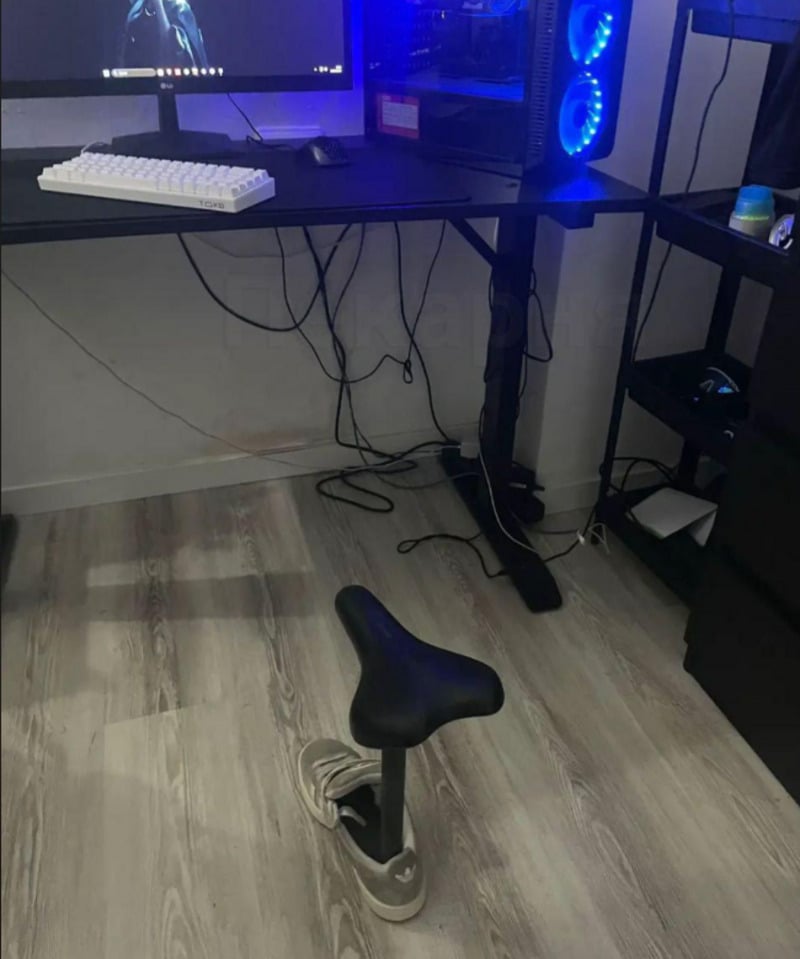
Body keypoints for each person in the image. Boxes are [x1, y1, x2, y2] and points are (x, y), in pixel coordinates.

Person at [120, 0, 210, 70]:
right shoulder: (135, 10)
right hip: (142, 86)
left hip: (180, 87)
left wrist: (158, 6)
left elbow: (175, 54)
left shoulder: (180, 8)